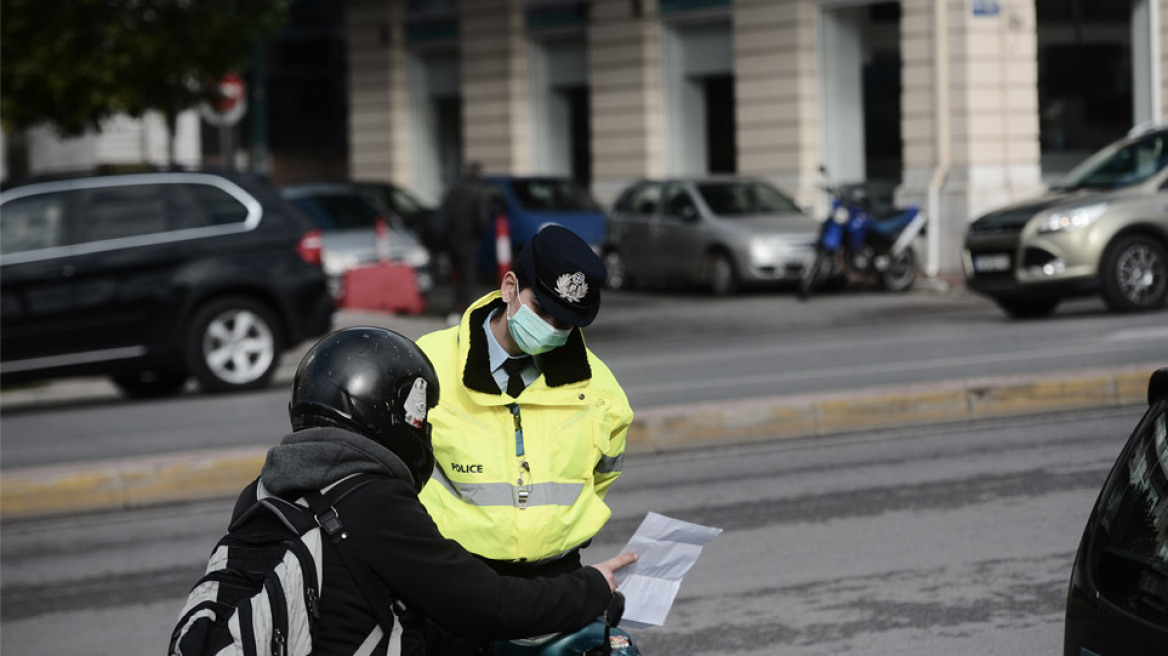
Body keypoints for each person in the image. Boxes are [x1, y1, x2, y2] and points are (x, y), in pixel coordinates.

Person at [208, 326, 635, 655]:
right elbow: (486, 605)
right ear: (386, 411)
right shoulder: (370, 500)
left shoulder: (267, 489)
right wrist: (592, 587)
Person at [414, 225, 635, 652]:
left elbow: (600, 479)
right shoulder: (426, 363)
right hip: (454, 584)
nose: (552, 329)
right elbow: (392, 478)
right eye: (543, 310)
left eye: (566, 322)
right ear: (510, 287)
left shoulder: (599, 387)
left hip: (557, 581)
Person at [437, 161, 490, 322]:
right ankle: (465, 310)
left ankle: (453, 310)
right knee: (468, 277)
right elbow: (482, 220)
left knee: (456, 275)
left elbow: (445, 212)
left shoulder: (455, 190)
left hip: (452, 240)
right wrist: (480, 235)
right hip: (468, 241)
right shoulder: (479, 193)